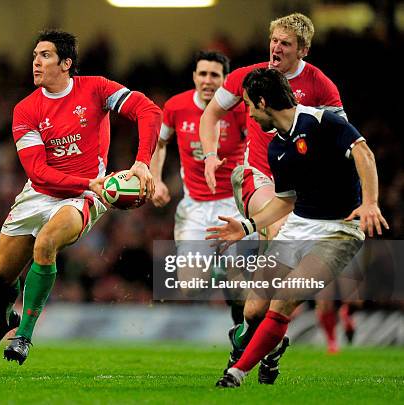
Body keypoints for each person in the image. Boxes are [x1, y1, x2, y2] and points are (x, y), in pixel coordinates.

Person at [0, 29, 160, 365]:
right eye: (34, 56)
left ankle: (23, 336)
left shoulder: (96, 89)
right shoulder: (26, 110)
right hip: (46, 191)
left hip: (84, 196)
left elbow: (149, 112)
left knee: (46, 244)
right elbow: (38, 174)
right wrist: (89, 184)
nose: (36, 62)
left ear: (66, 63)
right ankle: (4, 320)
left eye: (44, 55)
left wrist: (142, 162)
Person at [207, 67, 388, 388]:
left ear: (263, 102)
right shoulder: (277, 147)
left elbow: (364, 153)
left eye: (249, 105)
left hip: (339, 231)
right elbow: (284, 202)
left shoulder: (322, 122)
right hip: (298, 226)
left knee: (284, 300)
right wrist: (247, 225)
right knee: (253, 309)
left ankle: (236, 374)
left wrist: (371, 202)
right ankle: (273, 346)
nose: (248, 112)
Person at [199, 12, 347, 380]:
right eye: (274, 40)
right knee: (278, 229)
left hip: (301, 191)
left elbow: (340, 140)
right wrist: (211, 152)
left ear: (303, 50)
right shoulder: (250, 77)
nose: (276, 48)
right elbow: (211, 113)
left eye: (285, 43)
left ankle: (261, 340)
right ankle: (264, 338)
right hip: (258, 176)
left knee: (261, 301)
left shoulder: (321, 87)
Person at [150, 50, 247, 317]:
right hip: (195, 207)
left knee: (241, 290)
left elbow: (257, 147)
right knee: (190, 286)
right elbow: (159, 143)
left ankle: (241, 334)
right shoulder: (176, 107)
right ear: (194, 76)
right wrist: (156, 180)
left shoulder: (238, 109)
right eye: (202, 74)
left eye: (214, 75)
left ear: (225, 79)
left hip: (234, 207)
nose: (207, 80)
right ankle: (220, 269)